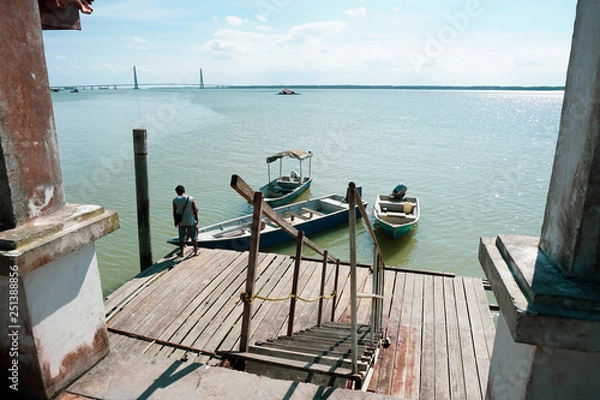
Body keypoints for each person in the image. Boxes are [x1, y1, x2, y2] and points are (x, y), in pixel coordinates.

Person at [173, 185, 199, 257]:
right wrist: (197, 219)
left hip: (181, 221)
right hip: (190, 220)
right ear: (184, 191)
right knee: (193, 236)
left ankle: (182, 252)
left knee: (181, 237)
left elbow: (174, 212)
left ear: (177, 192)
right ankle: (196, 251)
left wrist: (175, 221)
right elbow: (195, 210)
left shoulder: (175, 200)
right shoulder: (191, 198)